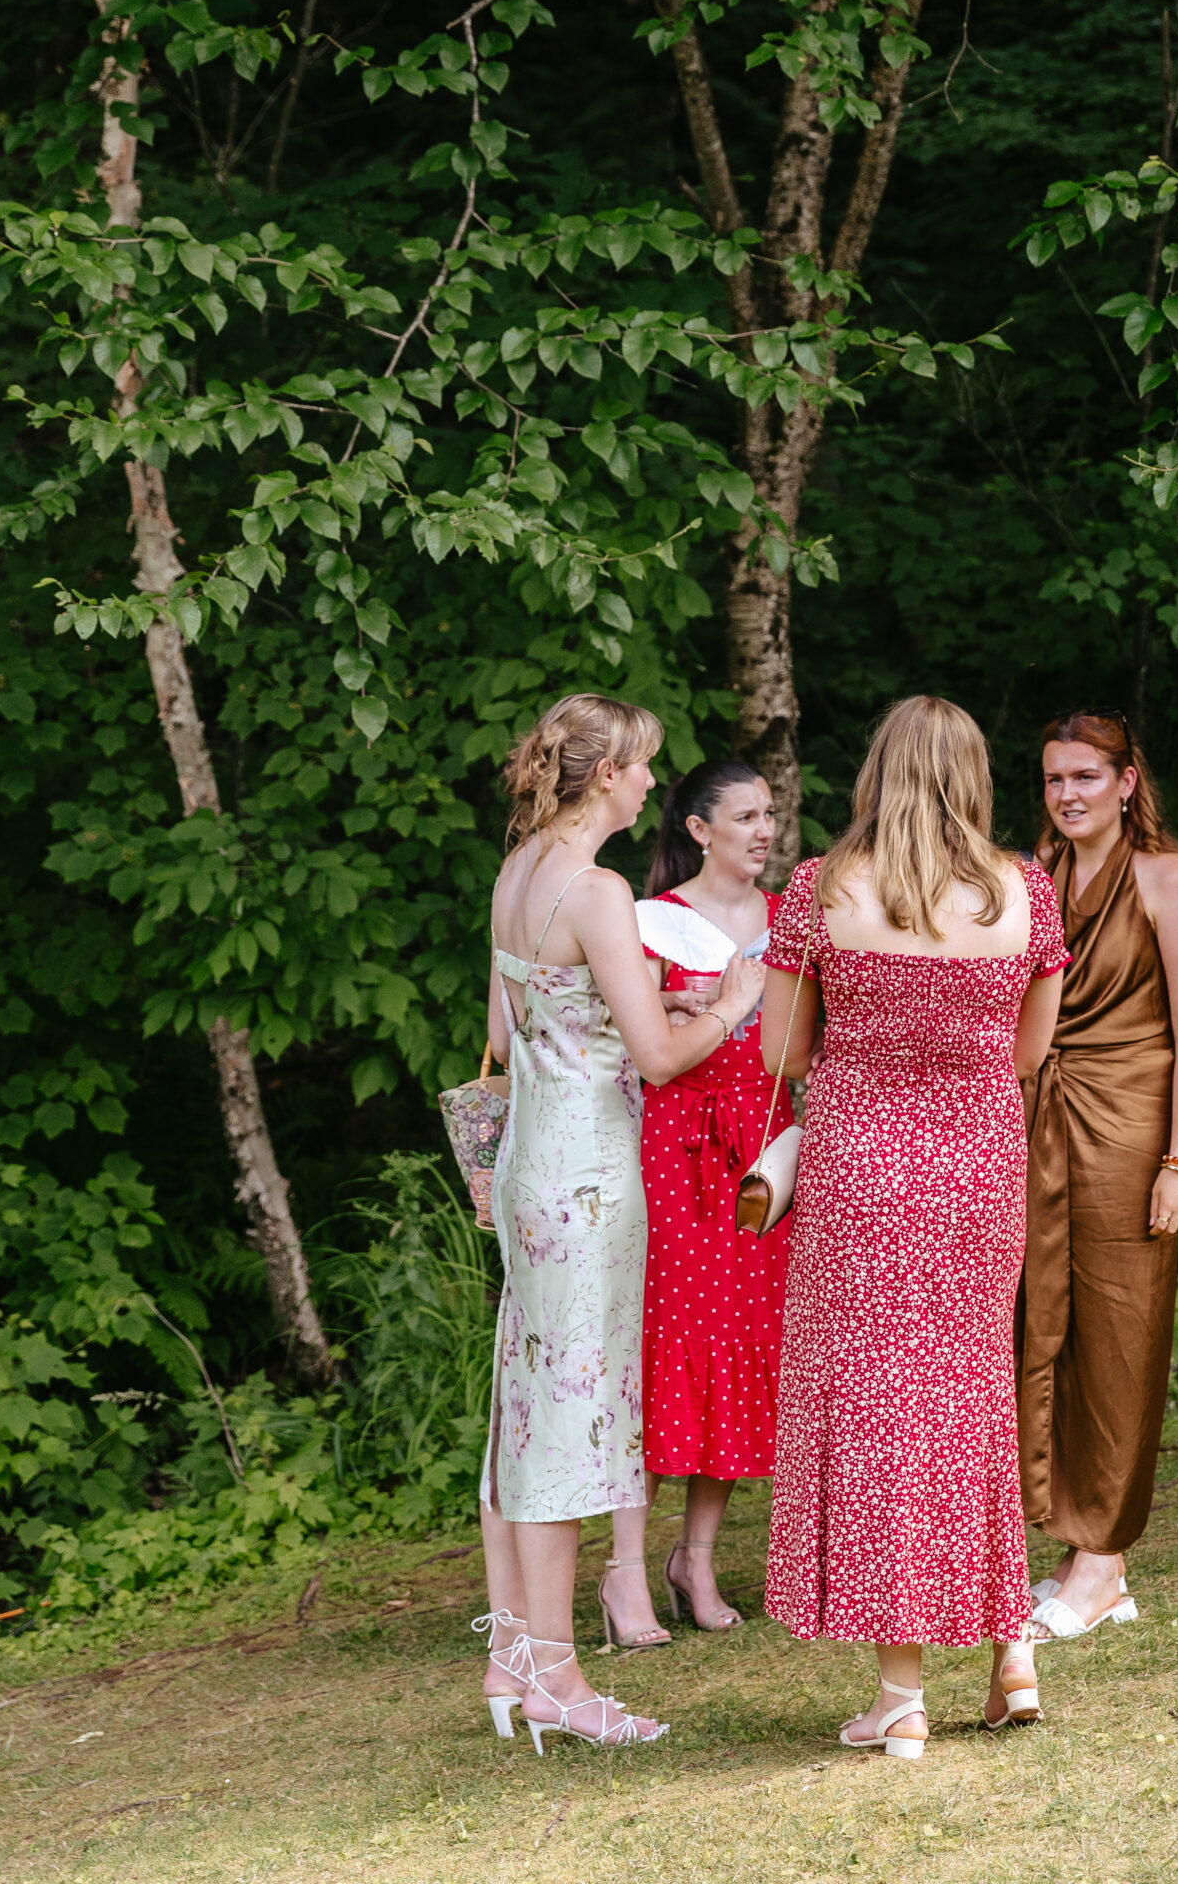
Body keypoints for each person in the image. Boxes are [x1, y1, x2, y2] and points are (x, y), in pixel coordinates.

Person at [758, 696, 1069, 1758]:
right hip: (977, 1163)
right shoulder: (1026, 892)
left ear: (876, 772)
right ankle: (1011, 1647)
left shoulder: (820, 889)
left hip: (858, 1166)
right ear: (973, 775)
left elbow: (781, 1049)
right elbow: (1028, 1053)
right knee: (970, 1392)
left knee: (879, 1409)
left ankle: (900, 1695)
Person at [471, 692, 764, 1751]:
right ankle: (556, 1678)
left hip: (530, 1164)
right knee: (567, 1418)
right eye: (641, 765)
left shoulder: (520, 871)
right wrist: (728, 1004)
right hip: (587, 1174)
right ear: (606, 775)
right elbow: (658, 1061)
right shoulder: (596, 891)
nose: (650, 783)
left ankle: (513, 1652)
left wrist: (649, 1002)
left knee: (523, 1402)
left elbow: (522, 1020)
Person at [1018, 707, 1178, 1647]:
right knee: (1045, 1327)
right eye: (1054, 779)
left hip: (1131, 1127)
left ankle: (1104, 1560)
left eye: (1085, 777)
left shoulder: (1168, 879)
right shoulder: (1035, 873)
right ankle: (1078, 1546)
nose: (1066, 795)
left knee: (1120, 1333)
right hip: (1039, 1119)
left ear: (1126, 782)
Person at [629, 760, 790, 1635]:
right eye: (745, 816)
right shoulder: (650, 922)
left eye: (769, 814)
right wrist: (674, 1000)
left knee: (740, 1339)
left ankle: (695, 1557)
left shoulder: (788, 919)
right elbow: (635, 1048)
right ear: (698, 830)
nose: (764, 830)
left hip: (762, 1142)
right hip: (678, 1145)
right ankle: (624, 1567)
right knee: (674, 1342)